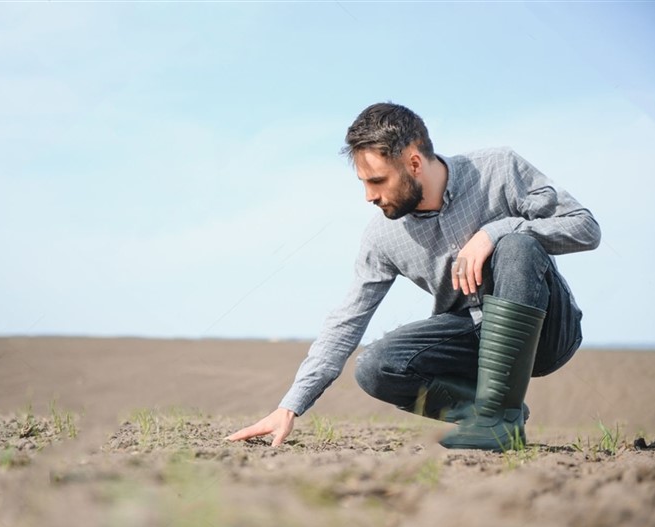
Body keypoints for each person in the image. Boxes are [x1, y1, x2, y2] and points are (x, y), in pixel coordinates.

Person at [227, 102, 601, 451]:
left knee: (516, 244)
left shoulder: (498, 169)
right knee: (376, 366)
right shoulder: (382, 236)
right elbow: (347, 318)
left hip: (547, 333)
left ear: (414, 162)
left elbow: (585, 227)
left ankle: (497, 418)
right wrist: (289, 406)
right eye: (363, 183)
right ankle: (495, 415)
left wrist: (496, 231)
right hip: (473, 336)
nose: (368, 197)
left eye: (376, 181)